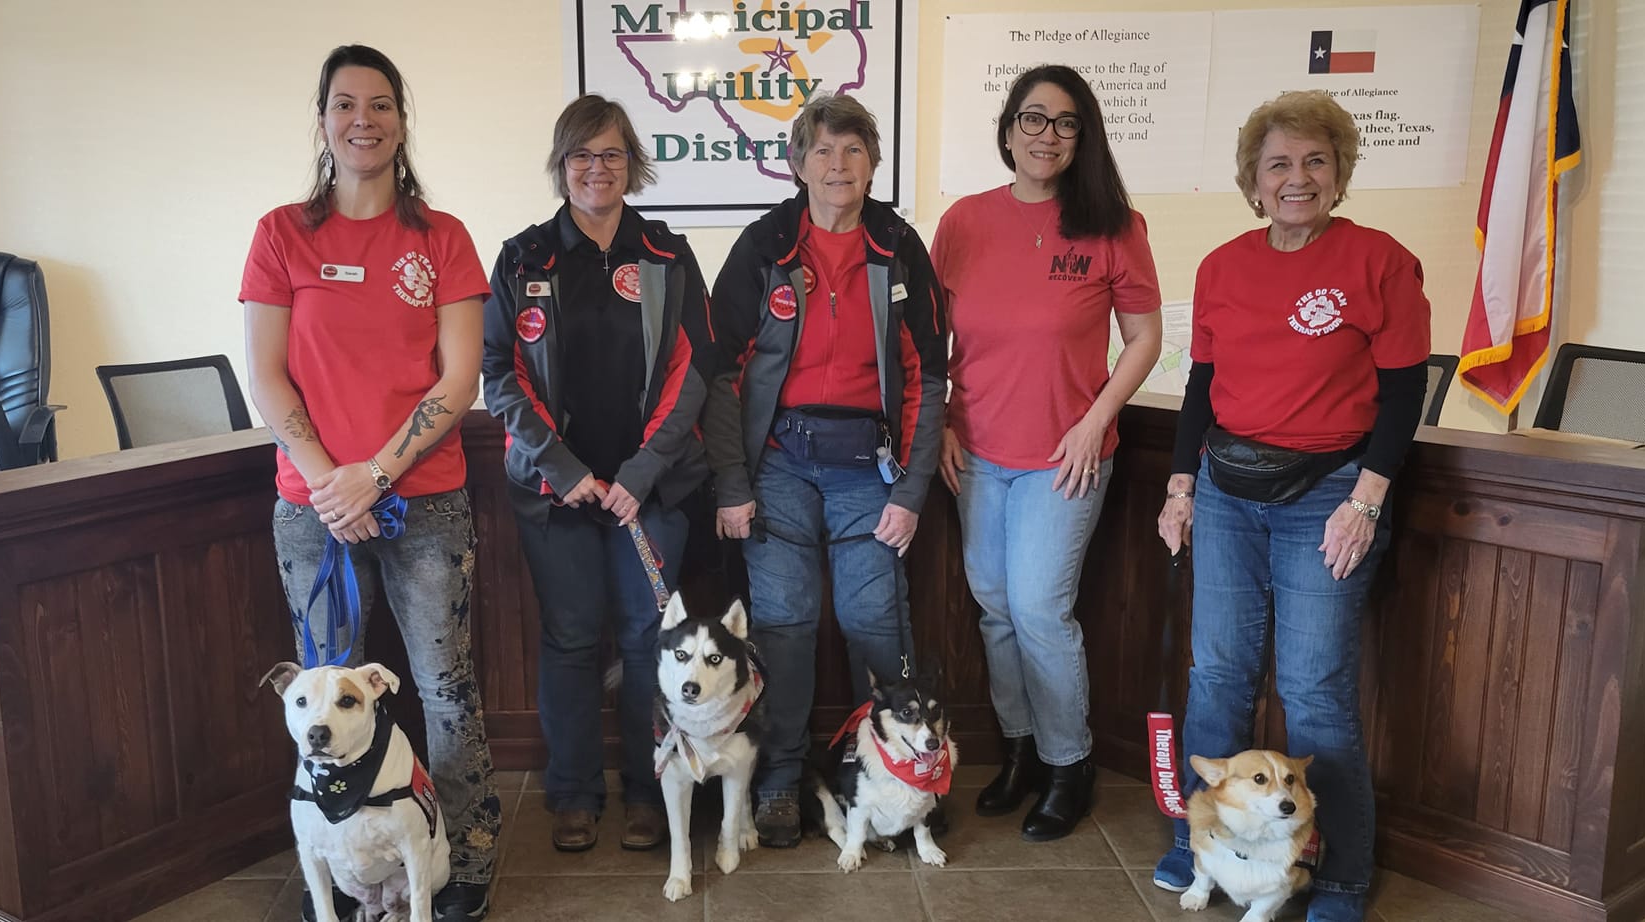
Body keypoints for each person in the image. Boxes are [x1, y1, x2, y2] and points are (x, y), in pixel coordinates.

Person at [1150, 90, 1431, 922]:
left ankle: (1338, 874)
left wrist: (1369, 500)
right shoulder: (1222, 266)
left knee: (1314, 693)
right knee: (1219, 682)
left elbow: (1403, 390)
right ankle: (1196, 841)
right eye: (1278, 164)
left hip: (1331, 496)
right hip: (1229, 493)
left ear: (1339, 173)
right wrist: (1179, 485)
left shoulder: (1381, 261)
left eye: (1315, 161)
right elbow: (1203, 386)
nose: (1296, 179)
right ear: (1254, 180)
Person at [239, 44, 500, 922]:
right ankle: (351, 864)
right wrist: (329, 484)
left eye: (382, 104)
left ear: (401, 120)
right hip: (313, 511)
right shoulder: (281, 234)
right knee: (327, 698)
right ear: (323, 120)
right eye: (346, 104)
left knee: (445, 689)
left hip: (425, 502)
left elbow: (457, 382)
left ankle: (463, 859)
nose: (364, 120)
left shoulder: (444, 238)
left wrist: (375, 476)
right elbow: (267, 376)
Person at [699, 92, 947, 848]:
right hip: (777, 467)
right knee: (785, 625)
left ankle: (905, 781)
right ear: (798, 162)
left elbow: (927, 378)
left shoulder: (899, 245)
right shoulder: (765, 246)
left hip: (868, 469)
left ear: (873, 164)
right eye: (823, 151)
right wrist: (733, 484)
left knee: (875, 620)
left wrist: (909, 493)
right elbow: (720, 373)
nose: (838, 165)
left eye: (854, 151)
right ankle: (778, 781)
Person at [931, 64, 1163, 842]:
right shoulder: (963, 221)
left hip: (1065, 456)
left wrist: (1096, 420)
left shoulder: (1114, 225)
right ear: (1007, 131)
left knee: (1038, 609)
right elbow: (932, 342)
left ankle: (1071, 763)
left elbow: (1144, 339)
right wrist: (943, 423)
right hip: (977, 451)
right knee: (995, 610)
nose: (1047, 135)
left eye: (1065, 122)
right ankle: (1022, 751)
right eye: (1033, 119)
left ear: (1083, 135)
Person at [479, 95, 709, 854]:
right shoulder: (523, 257)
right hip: (560, 494)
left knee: (649, 639)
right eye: (581, 154)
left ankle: (649, 791)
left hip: (653, 491)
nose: (596, 168)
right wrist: (564, 468)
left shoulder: (669, 256)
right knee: (573, 638)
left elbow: (695, 372)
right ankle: (573, 794)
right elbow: (499, 376)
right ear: (561, 164)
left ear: (632, 163)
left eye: (611, 154)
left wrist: (640, 472)